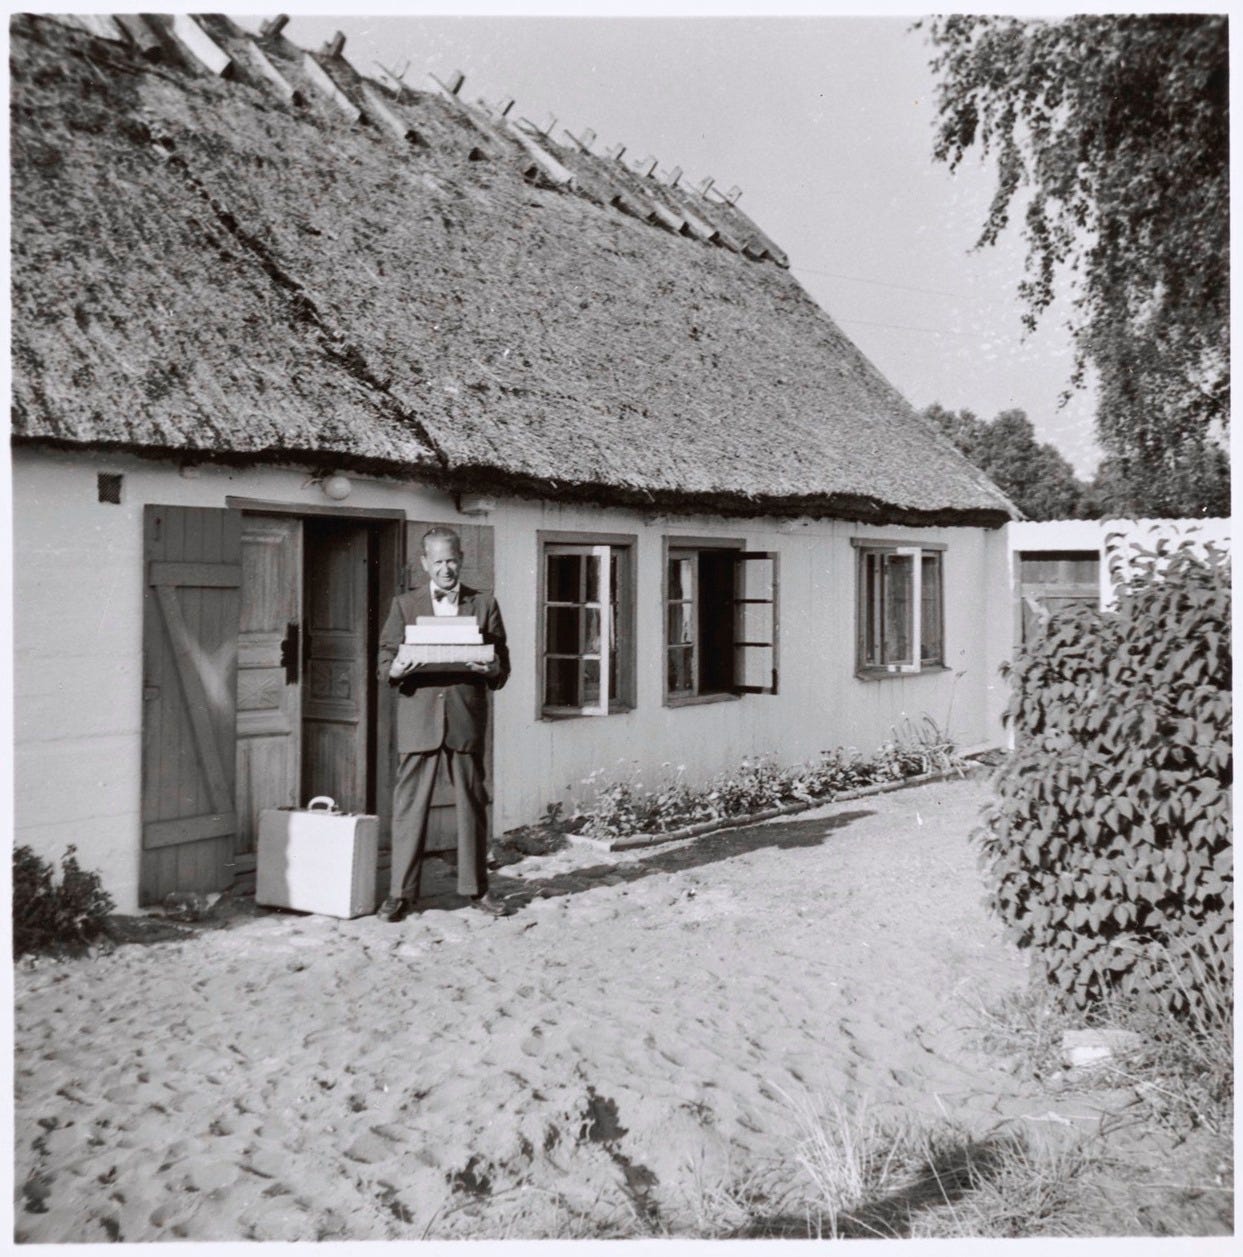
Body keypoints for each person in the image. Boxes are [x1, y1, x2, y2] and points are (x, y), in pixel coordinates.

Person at [375, 526, 510, 921]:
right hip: (419, 718)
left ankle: (477, 890)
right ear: (424, 564)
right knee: (409, 807)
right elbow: (384, 662)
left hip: (465, 718)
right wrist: (397, 666)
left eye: (452, 560)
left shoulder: (484, 604)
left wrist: (491, 666)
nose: (446, 569)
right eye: (438, 562)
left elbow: (502, 666)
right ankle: (401, 893)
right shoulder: (404, 605)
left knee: (471, 804)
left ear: (462, 559)